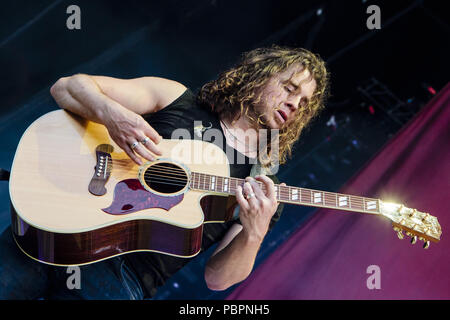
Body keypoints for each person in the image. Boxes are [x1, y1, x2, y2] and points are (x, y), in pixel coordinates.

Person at [0, 46, 329, 299]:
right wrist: (112, 115)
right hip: (56, 226)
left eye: (304, 103)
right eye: (289, 88)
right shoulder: (174, 98)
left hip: (119, 281)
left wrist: (254, 232)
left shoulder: (262, 188)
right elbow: (68, 87)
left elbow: (218, 279)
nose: (294, 104)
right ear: (259, 73)